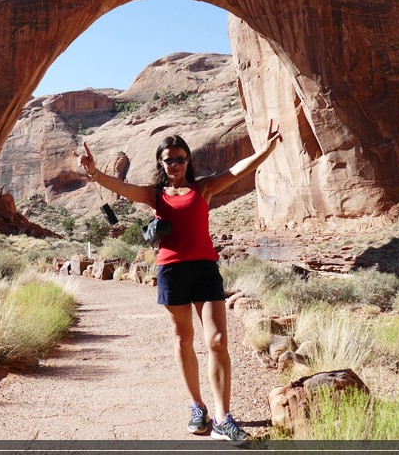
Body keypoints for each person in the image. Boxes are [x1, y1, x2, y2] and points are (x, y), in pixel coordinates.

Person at [77, 122, 282, 442]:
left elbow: (236, 171)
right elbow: (119, 187)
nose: (174, 165)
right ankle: (197, 407)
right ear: (161, 164)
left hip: (204, 270)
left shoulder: (203, 188)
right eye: (168, 160)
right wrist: (93, 172)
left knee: (216, 341)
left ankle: (223, 417)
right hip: (172, 271)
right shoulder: (154, 194)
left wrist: (264, 152)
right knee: (184, 339)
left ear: (188, 160)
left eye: (180, 158)